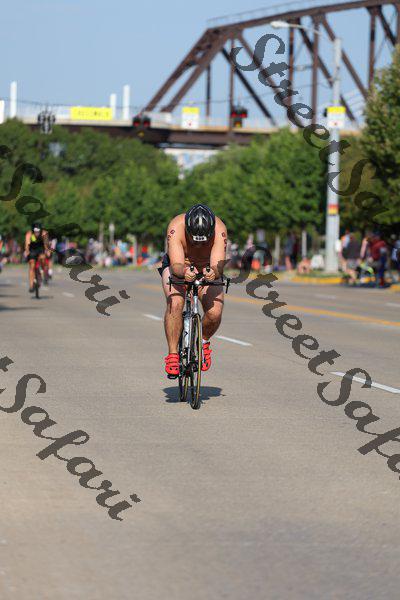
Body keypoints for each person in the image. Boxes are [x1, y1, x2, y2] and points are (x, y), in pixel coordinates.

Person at [159, 204, 227, 378]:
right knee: (175, 303)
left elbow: (218, 265)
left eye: (204, 240)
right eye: (194, 239)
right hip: (180, 266)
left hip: (207, 267)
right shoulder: (176, 226)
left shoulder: (220, 229)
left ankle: (203, 342)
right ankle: (173, 354)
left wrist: (214, 273)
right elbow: (176, 265)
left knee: (215, 312)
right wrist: (183, 272)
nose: (199, 244)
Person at [24, 222, 51, 292]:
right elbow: (27, 244)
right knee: (32, 265)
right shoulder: (29, 234)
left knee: (43, 258)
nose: (37, 233)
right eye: (35, 231)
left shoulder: (44, 233)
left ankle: (44, 273)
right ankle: (31, 285)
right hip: (32, 250)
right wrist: (27, 251)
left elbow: (46, 244)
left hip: (41, 249)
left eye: (38, 231)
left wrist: (47, 251)